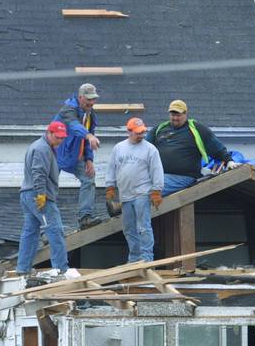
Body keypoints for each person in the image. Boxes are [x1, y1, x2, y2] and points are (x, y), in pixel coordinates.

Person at [145, 99, 239, 196]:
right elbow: (144, 149)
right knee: (136, 185)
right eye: (173, 115)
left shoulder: (197, 130)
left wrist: (229, 161)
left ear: (185, 114)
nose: (175, 118)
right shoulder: (159, 129)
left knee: (147, 190)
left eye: (178, 115)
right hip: (160, 175)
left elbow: (216, 147)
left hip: (183, 177)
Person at [105, 118, 164, 262]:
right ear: (129, 132)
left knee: (143, 227)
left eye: (143, 132)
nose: (141, 135)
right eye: (138, 133)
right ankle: (135, 258)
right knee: (129, 229)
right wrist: (110, 186)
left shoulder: (150, 149)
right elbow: (111, 168)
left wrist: (156, 190)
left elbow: (157, 170)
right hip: (125, 195)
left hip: (142, 193)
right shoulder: (119, 148)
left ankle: (146, 258)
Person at [16, 121, 70, 276]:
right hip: (38, 195)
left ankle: (23, 268)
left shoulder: (38, 145)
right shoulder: (43, 148)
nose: (60, 141)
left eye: (62, 138)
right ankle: (61, 269)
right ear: (49, 133)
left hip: (26, 194)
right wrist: (41, 194)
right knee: (55, 230)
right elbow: (38, 173)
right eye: (58, 137)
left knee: (30, 231)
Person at [52, 83, 103, 229]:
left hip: (74, 155)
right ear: (80, 97)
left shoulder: (90, 114)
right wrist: (88, 136)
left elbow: (87, 140)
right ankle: (46, 228)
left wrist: (89, 159)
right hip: (56, 153)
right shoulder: (68, 109)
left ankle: (85, 218)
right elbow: (74, 127)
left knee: (89, 178)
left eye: (94, 99)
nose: (91, 102)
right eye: (89, 99)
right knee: (49, 189)